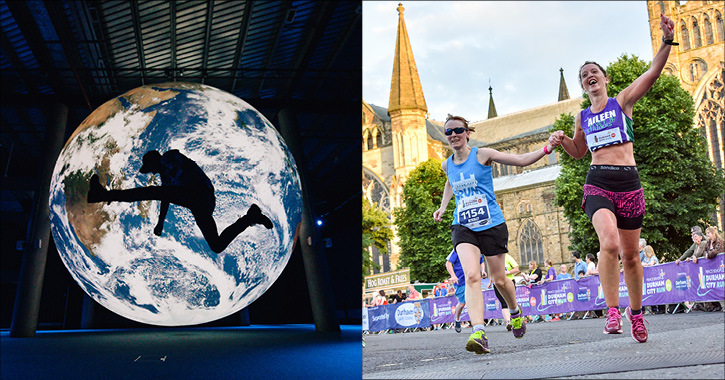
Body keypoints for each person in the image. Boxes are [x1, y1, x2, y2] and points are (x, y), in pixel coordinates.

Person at [550, 14, 677, 343]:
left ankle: (636, 315)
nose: (589, 76)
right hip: (598, 182)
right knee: (609, 244)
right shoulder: (582, 116)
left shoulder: (622, 103)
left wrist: (665, 41)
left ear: (604, 78)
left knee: (632, 256)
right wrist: (562, 140)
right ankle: (611, 311)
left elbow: (652, 73)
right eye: (584, 75)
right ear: (583, 86)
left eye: (594, 72)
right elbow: (579, 151)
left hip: (629, 183)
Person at [433, 114, 560, 354]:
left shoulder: (482, 155)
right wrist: (443, 206)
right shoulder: (446, 164)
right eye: (448, 132)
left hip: (491, 224)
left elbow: (521, 160)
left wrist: (547, 148)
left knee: (499, 279)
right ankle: (479, 332)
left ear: (467, 133)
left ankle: (514, 311)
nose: (453, 135)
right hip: (463, 225)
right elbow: (450, 181)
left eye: (458, 130)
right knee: (471, 276)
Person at [87, 149, 273, 254]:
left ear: (154, 160)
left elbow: (169, 187)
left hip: (199, 193)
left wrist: (166, 188)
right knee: (216, 246)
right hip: (201, 204)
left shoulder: (169, 157)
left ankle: (103, 195)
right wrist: (160, 223)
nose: (151, 172)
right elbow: (166, 197)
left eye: (150, 167)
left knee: (152, 192)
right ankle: (250, 218)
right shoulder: (166, 178)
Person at [446, 249, 486, 333]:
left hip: (473, 280)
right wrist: (453, 276)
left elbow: (481, 261)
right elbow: (448, 263)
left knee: (474, 302)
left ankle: (476, 325)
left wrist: (483, 270)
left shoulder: (476, 248)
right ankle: (457, 319)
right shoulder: (458, 249)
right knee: (462, 303)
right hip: (460, 281)